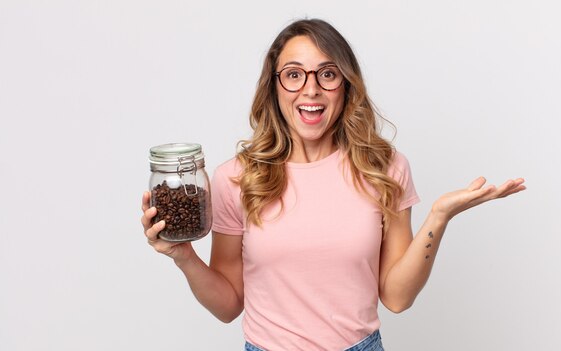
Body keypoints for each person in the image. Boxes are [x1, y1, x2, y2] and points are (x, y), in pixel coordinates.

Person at [140, 18, 525, 351]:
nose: (311, 89)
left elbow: (397, 297)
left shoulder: (385, 168)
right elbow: (228, 306)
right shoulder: (237, 178)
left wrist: (439, 217)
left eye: (327, 73)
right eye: (294, 75)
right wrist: (184, 257)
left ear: (345, 84)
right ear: (274, 88)